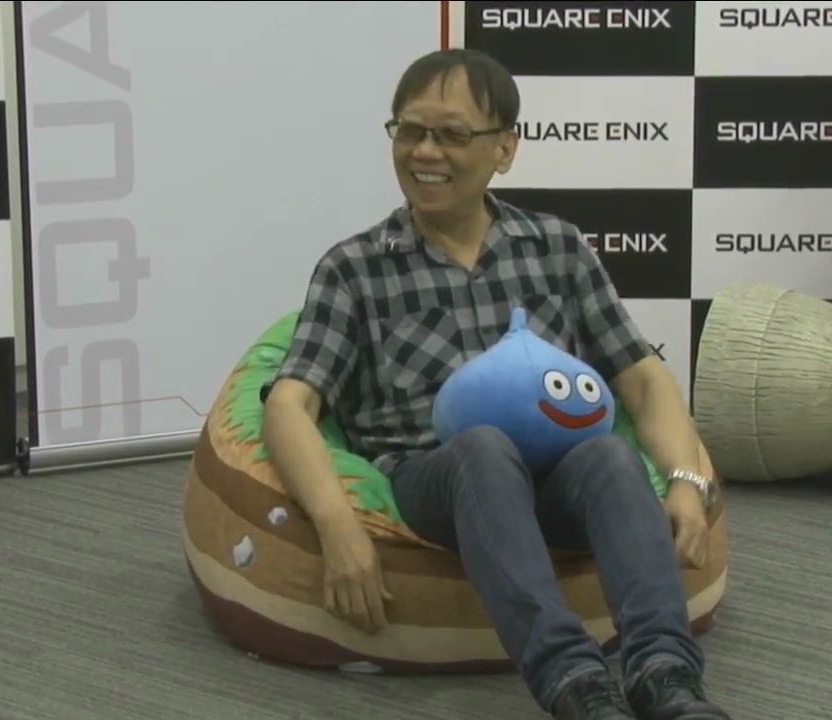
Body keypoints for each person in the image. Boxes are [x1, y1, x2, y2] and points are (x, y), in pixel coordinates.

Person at [261, 48, 732, 720]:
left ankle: (667, 676)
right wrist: (337, 525)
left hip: (555, 474)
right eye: (409, 130)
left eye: (451, 134)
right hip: (435, 476)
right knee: (483, 447)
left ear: (505, 148)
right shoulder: (354, 268)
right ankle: (576, 683)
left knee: (607, 453)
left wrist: (686, 481)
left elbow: (641, 377)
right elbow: (289, 404)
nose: (425, 151)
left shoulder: (556, 248)